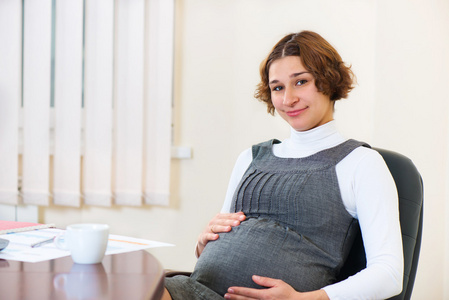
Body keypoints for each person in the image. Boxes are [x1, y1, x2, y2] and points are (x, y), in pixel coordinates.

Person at [163, 30, 403, 300]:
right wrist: (202, 243)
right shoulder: (250, 158)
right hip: (195, 291)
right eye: (278, 87)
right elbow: (218, 246)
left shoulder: (360, 163)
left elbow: (389, 274)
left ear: (328, 80)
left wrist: (300, 299)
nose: (288, 99)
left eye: (300, 82)